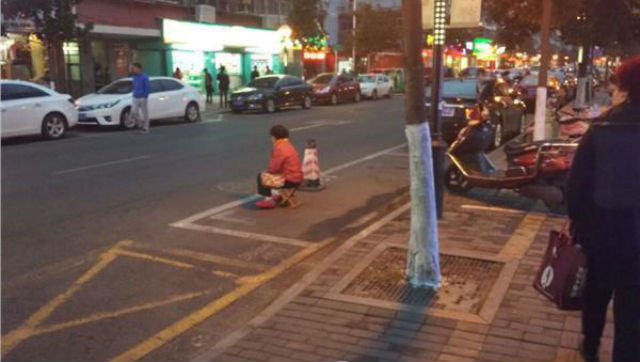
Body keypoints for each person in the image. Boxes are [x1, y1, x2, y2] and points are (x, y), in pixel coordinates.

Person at [566, 56, 640, 362]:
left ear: (624, 86)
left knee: (596, 296)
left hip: (602, 231)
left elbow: (576, 185)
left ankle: (591, 348)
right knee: (632, 308)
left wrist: (580, 225)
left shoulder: (601, 128)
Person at [255, 125, 303, 209]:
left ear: (274, 137)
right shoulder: (288, 144)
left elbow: (274, 168)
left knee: (261, 176)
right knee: (273, 174)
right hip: (297, 177)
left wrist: (267, 171)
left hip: (289, 180)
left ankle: (268, 200)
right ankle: (276, 194)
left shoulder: (279, 148)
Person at [130, 63, 150, 133]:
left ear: (139, 68)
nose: (133, 69)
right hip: (135, 97)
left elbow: (147, 87)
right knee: (133, 111)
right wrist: (134, 93)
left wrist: (145, 96)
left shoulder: (145, 77)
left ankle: (146, 128)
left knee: (145, 113)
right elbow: (134, 86)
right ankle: (140, 124)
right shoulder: (134, 77)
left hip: (143, 97)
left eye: (134, 68)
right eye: (133, 68)